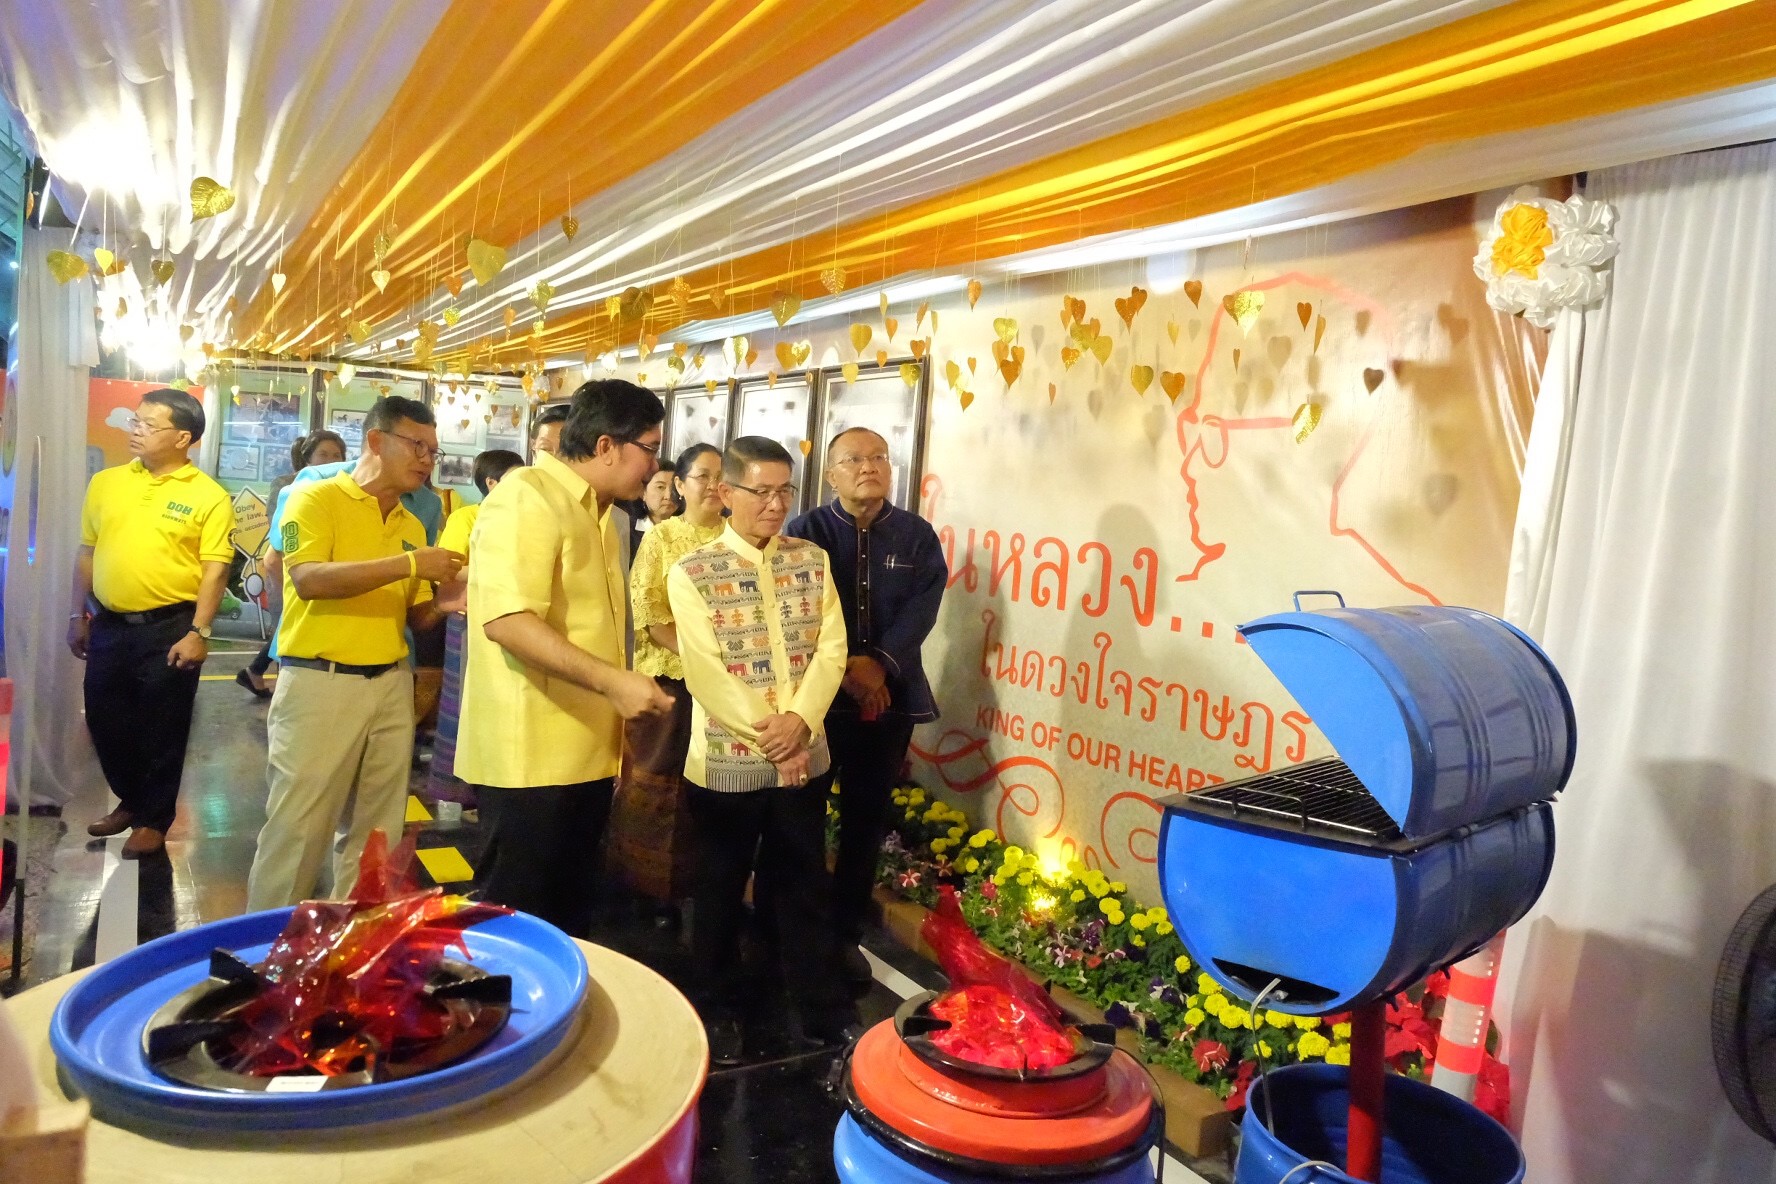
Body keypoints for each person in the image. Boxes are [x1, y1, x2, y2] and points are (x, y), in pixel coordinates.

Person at [455, 381, 673, 937]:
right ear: (606, 446)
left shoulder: (601, 514)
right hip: (531, 759)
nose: (655, 466)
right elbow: (508, 621)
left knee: (566, 922)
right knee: (518, 925)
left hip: (583, 755)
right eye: (649, 448)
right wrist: (614, 683)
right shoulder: (527, 495)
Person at [667, 435, 851, 1062]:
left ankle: (812, 1007)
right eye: (761, 491)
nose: (775, 505)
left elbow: (831, 649)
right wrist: (776, 737)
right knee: (718, 888)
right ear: (726, 492)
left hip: (805, 753)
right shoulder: (693, 570)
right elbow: (706, 672)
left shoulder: (812, 559)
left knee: (802, 883)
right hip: (728, 761)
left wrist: (801, 721)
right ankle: (714, 1009)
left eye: (784, 491)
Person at [244, 396, 464, 908]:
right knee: (298, 829)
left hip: (391, 682)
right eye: (417, 445)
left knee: (377, 834)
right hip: (320, 681)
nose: (427, 460)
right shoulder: (314, 498)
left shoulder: (411, 524)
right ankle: (265, 943)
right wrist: (410, 566)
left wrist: (447, 601)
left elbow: (414, 615)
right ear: (375, 441)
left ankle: (353, 940)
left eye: (433, 451)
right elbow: (308, 578)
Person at [785, 428, 947, 985]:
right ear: (830, 474)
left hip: (890, 698)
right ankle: (799, 930)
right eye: (853, 459)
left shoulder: (916, 535)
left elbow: (923, 609)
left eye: (878, 457)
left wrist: (879, 664)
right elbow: (797, 609)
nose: (868, 467)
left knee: (865, 818)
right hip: (816, 701)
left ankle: (845, 932)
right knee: (802, 817)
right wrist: (848, 670)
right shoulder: (804, 532)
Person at [68, 388, 235, 858]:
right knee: (104, 718)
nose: (135, 430)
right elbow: (87, 551)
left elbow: (215, 569)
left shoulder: (208, 496)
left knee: (163, 726)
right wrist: (76, 613)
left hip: (170, 626)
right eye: (135, 421)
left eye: (148, 424)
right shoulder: (106, 482)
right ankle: (132, 799)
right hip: (109, 624)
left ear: (183, 437)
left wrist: (199, 632)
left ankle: (153, 819)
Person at [608, 444, 724, 916]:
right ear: (680, 484)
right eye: (703, 476)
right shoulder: (662, 538)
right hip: (670, 682)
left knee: (708, 792)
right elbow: (652, 619)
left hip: (724, 689)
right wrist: (710, 660)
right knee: (656, 785)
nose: (714, 486)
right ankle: (642, 889)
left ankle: (700, 891)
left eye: (722, 477)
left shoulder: (738, 537)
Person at [427, 448, 525, 805]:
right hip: (468, 619)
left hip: (509, 620)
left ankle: (488, 788)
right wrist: (497, 574)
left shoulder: (525, 519)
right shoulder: (467, 517)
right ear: (492, 483)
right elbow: (447, 569)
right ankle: (456, 789)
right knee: (462, 706)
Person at [237, 430, 346, 698]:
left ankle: (257, 673)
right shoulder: (287, 485)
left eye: (337, 455)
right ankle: (281, 693)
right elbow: (280, 532)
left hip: (323, 573)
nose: (330, 460)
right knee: (287, 631)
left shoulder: (344, 488)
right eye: (323, 454)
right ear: (307, 458)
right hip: (286, 570)